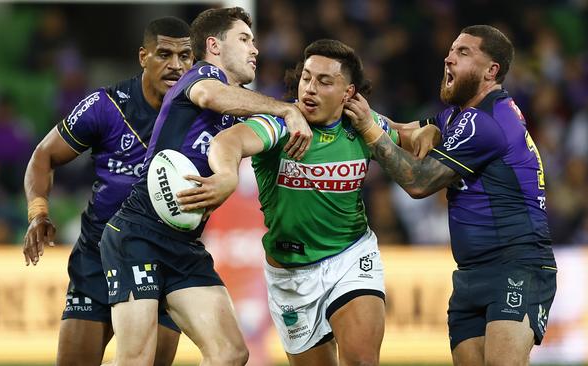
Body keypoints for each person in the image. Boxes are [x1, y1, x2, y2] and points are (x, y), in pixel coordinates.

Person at [178, 39, 433, 366]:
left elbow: (405, 133)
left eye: (325, 81)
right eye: (306, 78)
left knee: (361, 360)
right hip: (289, 275)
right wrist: (227, 174)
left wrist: (429, 131)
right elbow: (229, 140)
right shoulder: (280, 124)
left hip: (350, 257)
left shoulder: (361, 126)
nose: (310, 88)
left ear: (348, 93)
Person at [98, 7, 312, 365]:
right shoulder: (202, 75)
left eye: (254, 41)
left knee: (230, 352)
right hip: (139, 235)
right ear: (214, 45)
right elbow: (211, 95)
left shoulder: (234, 112)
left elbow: (231, 142)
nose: (254, 49)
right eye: (244, 39)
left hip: (183, 245)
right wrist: (285, 110)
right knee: (136, 357)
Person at [344, 25, 558, 366]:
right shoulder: (462, 116)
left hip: (516, 266)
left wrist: (368, 129)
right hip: (470, 273)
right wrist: (350, 111)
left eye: (463, 52)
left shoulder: (486, 121)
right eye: (451, 49)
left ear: (491, 71)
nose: (448, 57)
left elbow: (418, 181)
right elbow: (401, 132)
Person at [23, 16, 193, 366]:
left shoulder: (203, 113)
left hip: (163, 259)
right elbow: (43, 155)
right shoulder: (107, 105)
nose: (175, 65)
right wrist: (38, 212)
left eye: (185, 56)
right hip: (98, 257)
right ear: (143, 56)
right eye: (164, 54)